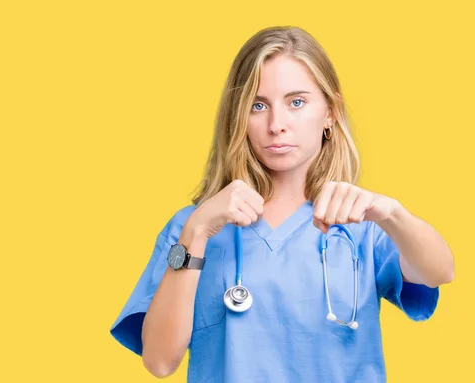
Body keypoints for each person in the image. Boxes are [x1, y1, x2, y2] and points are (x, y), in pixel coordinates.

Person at [109, 26, 455, 382]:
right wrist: (196, 232)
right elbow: (159, 361)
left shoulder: (362, 225)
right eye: (258, 106)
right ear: (238, 117)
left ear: (330, 112)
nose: (276, 125)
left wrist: (390, 213)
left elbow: (439, 272)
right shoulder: (192, 228)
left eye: (296, 102)